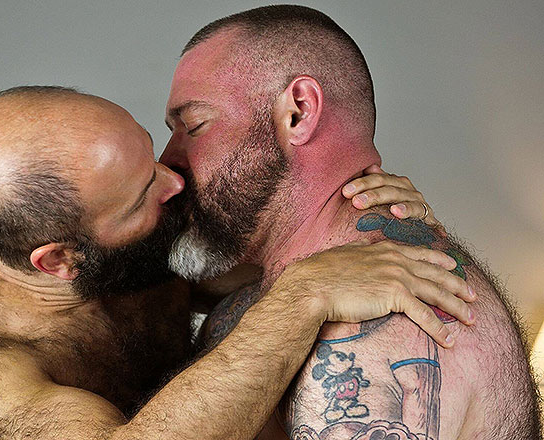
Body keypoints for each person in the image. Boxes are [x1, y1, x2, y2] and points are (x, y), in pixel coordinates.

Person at [0, 87, 475, 440]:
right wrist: (304, 295)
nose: (174, 182)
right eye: (143, 194)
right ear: (60, 259)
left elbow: (255, 266)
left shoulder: (120, 256)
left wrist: (369, 211)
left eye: (148, 152)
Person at [159, 5, 542, 439]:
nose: (168, 163)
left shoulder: (394, 321)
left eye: (194, 125)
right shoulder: (260, 299)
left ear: (298, 112)